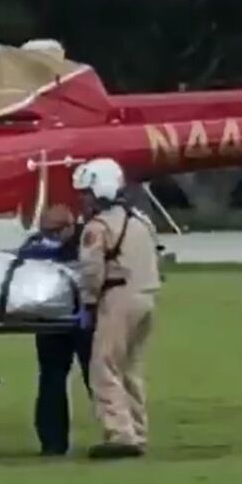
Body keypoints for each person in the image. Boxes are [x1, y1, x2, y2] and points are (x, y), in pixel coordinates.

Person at [71, 157, 162, 460]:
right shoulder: (141, 220)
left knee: (104, 365)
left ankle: (120, 433)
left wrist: (88, 302)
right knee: (130, 368)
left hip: (118, 297)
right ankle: (137, 430)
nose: (82, 200)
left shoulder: (97, 228)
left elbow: (91, 270)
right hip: (147, 295)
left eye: (85, 194)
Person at [16, 203, 93, 456]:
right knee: (52, 379)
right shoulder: (36, 246)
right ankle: (52, 442)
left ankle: (118, 432)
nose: (51, 237)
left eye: (55, 231)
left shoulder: (87, 240)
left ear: (71, 226)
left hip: (82, 319)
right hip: (52, 320)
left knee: (95, 378)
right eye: (47, 231)